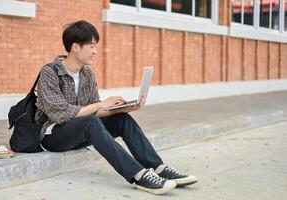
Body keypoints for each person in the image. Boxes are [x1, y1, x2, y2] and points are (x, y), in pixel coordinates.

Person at [35, 20, 198, 195]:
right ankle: (138, 175)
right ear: (75, 47)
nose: (95, 51)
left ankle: (157, 167)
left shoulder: (87, 74)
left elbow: (96, 112)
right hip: (54, 136)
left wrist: (124, 108)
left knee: (121, 120)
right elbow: (60, 115)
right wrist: (100, 104)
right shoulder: (49, 72)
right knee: (90, 122)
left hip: (82, 131)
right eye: (91, 46)